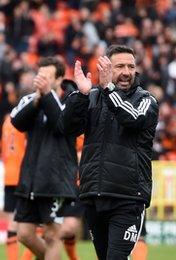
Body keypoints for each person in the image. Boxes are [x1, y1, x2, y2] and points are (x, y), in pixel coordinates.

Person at [60, 45, 159, 259]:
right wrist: (81, 95)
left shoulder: (146, 100)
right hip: (94, 195)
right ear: (106, 68)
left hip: (128, 197)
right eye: (120, 66)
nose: (126, 71)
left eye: (131, 66)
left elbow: (132, 118)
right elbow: (67, 129)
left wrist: (108, 90)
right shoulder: (92, 97)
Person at [10, 57, 80, 260]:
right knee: (24, 234)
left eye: (48, 77)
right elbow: (17, 122)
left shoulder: (72, 100)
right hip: (31, 176)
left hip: (56, 177)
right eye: (40, 76)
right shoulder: (32, 99)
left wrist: (47, 95)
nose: (43, 81)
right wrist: (38, 100)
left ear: (59, 78)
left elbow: (62, 124)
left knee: (52, 234)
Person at [0, 113, 26, 260]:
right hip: (23, 174)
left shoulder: (6, 122)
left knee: (11, 224)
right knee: (34, 224)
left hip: (8, 175)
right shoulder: (25, 118)